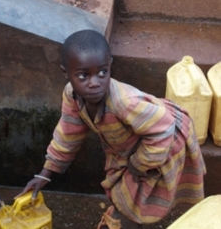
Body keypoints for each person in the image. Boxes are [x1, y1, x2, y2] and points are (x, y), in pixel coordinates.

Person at [15, 29, 206, 229]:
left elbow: (164, 129)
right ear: (66, 73)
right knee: (127, 197)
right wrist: (44, 175)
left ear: (110, 66)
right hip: (134, 144)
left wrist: (138, 164)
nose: (95, 83)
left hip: (163, 141)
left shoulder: (124, 102)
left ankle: (118, 223)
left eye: (102, 72)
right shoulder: (72, 96)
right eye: (83, 75)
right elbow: (67, 135)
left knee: (132, 203)